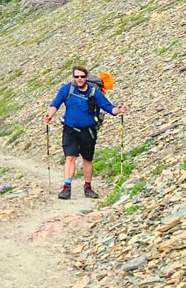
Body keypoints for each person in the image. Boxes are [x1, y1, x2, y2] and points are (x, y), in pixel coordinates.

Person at [43, 66, 127, 199]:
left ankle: (87, 187)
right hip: (70, 129)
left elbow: (108, 107)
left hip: (88, 131)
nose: (79, 79)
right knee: (70, 157)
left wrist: (118, 110)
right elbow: (56, 103)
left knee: (87, 159)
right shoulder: (66, 89)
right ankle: (67, 187)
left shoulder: (94, 92)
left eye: (82, 76)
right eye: (76, 77)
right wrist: (49, 115)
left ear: (86, 77)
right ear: (73, 77)